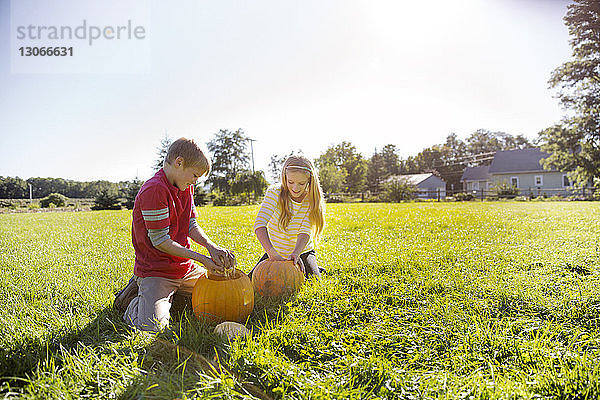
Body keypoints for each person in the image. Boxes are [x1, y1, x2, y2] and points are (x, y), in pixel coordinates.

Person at [114, 137, 235, 332]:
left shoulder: (185, 187)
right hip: (157, 271)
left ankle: (166, 297)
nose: (195, 181)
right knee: (152, 328)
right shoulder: (154, 190)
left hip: (184, 268)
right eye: (195, 175)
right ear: (179, 163)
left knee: (223, 295)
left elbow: (190, 224)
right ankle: (130, 301)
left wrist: (211, 247)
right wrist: (202, 259)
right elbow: (161, 241)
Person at [251, 155, 326, 279]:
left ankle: (315, 267)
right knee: (253, 280)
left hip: (302, 252)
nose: (295, 188)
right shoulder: (274, 192)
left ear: (309, 181)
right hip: (275, 253)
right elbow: (259, 224)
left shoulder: (310, 200)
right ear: (284, 177)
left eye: (301, 183)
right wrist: (272, 253)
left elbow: (305, 231)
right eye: (290, 182)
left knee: (313, 280)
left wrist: (296, 253)